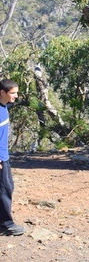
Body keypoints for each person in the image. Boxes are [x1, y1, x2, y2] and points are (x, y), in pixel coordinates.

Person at [0, 79, 26, 236]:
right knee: (4, 189)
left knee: (7, 187)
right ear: (2, 93)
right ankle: (6, 225)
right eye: (13, 93)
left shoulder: (4, 107)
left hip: (4, 156)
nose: (16, 96)